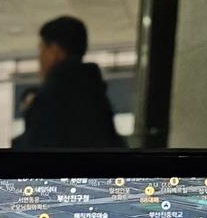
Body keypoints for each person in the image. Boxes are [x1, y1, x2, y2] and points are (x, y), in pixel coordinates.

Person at [12, 16, 124, 150]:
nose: (40, 58)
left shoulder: (50, 100)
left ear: (55, 51)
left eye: (42, 49)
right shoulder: (95, 94)